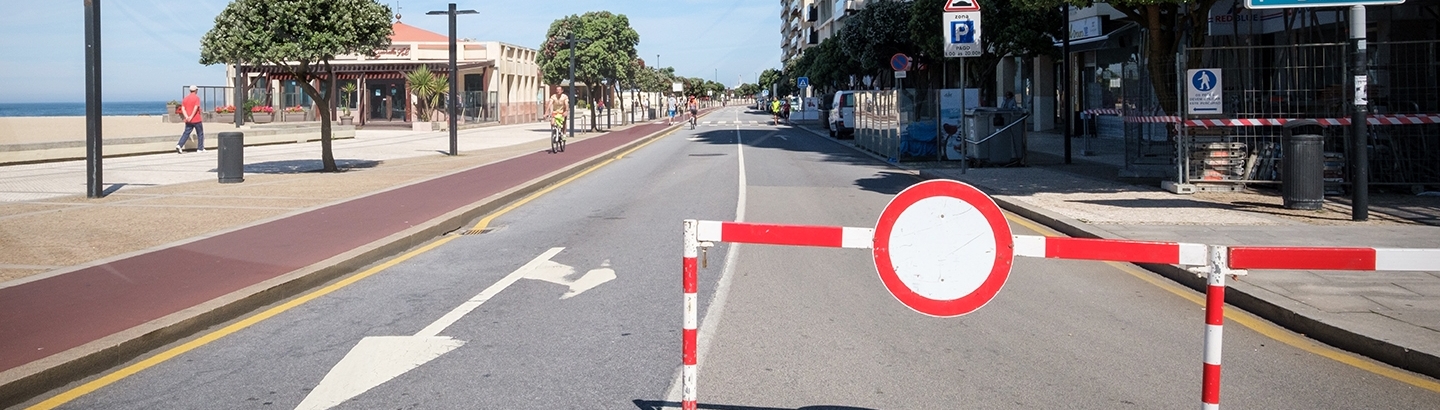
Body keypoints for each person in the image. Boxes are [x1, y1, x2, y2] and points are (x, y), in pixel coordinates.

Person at [176, 85, 204, 154]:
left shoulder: (185, 98)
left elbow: (183, 108)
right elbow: (196, 108)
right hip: (196, 119)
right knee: (200, 133)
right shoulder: (196, 98)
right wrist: (191, 116)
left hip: (188, 120)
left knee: (186, 133)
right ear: (196, 90)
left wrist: (187, 117)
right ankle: (200, 148)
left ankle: (179, 145)